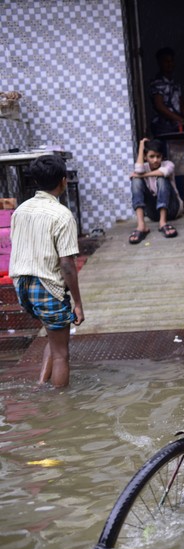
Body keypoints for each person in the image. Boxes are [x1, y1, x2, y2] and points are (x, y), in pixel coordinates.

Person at [9, 155, 84, 388]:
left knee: (53, 338)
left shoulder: (21, 210)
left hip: (22, 285)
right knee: (62, 353)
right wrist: (78, 303)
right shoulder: (61, 215)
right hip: (47, 285)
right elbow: (67, 265)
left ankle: (41, 386)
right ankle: (60, 409)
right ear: (63, 181)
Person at [128, 138, 183, 244]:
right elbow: (139, 170)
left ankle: (163, 222)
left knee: (162, 178)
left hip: (172, 209)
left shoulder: (168, 164)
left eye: (158, 156)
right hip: (153, 214)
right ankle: (141, 225)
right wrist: (141, 146)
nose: (155, 160)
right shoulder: (144, 167)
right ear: (145, 157)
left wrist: (142, 175)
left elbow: (162, 173)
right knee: (136, 180)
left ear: (162, 156)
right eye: (151, 157)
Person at [150, 47, 184, 137]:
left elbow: (181, 107)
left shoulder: (175, 84)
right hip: (163, 126)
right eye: (166, 61)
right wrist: (180, 120)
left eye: (171, 61)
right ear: (160, 63)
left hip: (176, 125)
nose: (169, 64)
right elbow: (159, 106)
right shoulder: (157, 83)